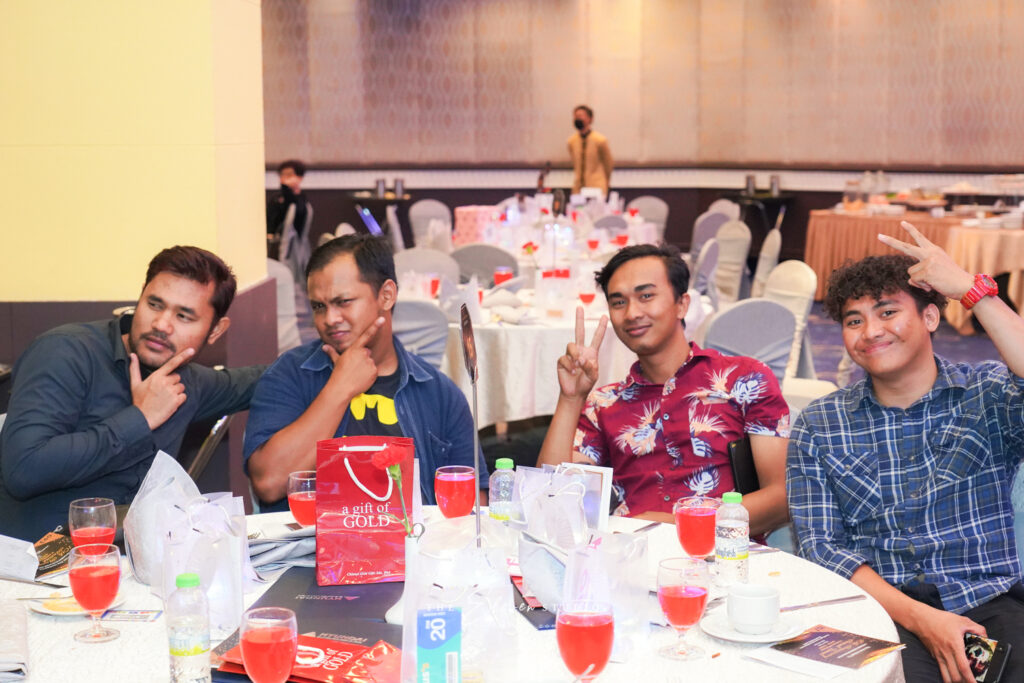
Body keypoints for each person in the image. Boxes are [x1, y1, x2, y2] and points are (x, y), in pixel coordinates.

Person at [787, 221, 1024, 683]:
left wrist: (972, 291)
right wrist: (924, 620)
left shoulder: (987, 394)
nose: (870, 331)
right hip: (879, 612)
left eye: (888, 312)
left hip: (987, 604)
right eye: (854, 320)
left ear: (930, 318)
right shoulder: (820, 424)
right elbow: (822, 547)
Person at [0, 247, 264, 541]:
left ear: (215, 331)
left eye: (184, 316)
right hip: (35, 558)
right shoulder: (65, 352)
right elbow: (24, 470)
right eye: (154, 304)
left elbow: (260, 381)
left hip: (132, 554)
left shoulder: (186, 382)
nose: (161, 325)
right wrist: (139, 418)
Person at [537, 244, 790, 536]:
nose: (632, 313)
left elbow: (781, 498)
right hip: (629, 551)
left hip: (723, 552)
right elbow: (551, 497)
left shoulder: (743, 379)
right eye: (618, 302)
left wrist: (674, 524)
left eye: (646, 296)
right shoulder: (604, 403)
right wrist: (571, 399)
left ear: (682, 304)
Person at [244, 234, 481, 510]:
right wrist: (339, 389)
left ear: (386, 295)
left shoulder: (438, 392)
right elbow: (269, 482)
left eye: (343, 301)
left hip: (413, 537)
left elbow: (473, 503)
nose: (329, 319)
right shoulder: (290, 375)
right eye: (319, 306)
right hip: (313, 539)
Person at [267, 159, 314, 289]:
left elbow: (298, 212)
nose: (285, 178)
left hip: (298, 247)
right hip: (279, 246)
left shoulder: (302, 199)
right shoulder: (277, 199)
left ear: (299, 177)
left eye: (289, 174)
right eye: (282, 175)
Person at [567, 105, 613, 197]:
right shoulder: (571, 141)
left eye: (580, 116)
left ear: (590, 119)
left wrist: (606, 182)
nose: (577, 118)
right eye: (576, 116)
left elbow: (608, 164)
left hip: (596, 186)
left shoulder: (600, 140)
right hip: (578, 187)